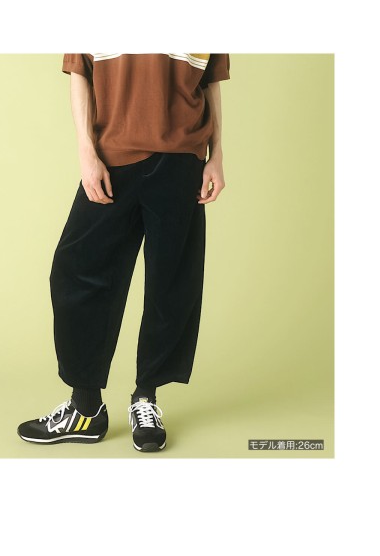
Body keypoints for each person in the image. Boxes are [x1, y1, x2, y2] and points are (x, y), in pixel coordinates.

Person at [17, 53, 230, 452]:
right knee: (75, 270)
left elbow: (210, 82)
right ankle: (85, 408)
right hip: (112, 156)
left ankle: (146, 397)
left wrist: (216, 154)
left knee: (171, 283)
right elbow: (80, 72)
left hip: (182, 158)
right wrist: (86, 151)